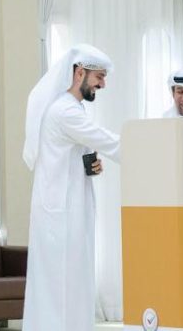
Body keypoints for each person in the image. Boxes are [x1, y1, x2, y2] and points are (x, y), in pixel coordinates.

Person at [22, 44, 121, 331]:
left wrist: (90, 164)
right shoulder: (65, 111)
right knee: (61, 286)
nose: (102, 84)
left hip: (65, 209)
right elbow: (110, 142)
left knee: (70, 284)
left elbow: (76, 150)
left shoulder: (71, 108)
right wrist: (153, 148)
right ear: (79, 73)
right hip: (61, 215)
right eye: (99, 77)